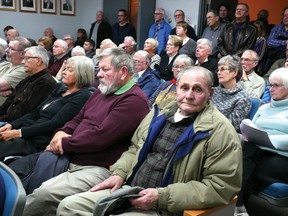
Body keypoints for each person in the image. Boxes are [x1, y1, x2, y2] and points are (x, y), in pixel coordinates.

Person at [56, 66, 242, 216]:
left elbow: (220, 186)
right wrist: (120, 173)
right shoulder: (159, 113)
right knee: (69, 206)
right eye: (184, 88)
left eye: (198, 90)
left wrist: (161, 197)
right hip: (130, 189)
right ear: (177, 88)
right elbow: (134, 148)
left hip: (166, 206)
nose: (189, 95)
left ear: (210, 93)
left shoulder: (221, 131)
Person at [22, 48, 150, 216]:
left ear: (123, 71)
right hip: (71, 156)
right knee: (20, 174)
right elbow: (79, 118)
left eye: (105, 69)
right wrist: (62, 132)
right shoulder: (103, 90)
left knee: (43, 194)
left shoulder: (133, 100)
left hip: (97, 166)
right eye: (99, 69)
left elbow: (100, 137)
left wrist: (64, 143)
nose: (99, 74)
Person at [0, 56, 94, 160]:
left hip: (41, 140)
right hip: (29, 132)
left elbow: (54, 123)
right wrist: (12, 125)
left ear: (82, 73)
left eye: (70, 70)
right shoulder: (61, 89)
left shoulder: (82, 96)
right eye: (65, 68)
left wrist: (19, 133)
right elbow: (35, 112)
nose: (64, 72)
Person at [235, 67, 288, 216]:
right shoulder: (263, 108)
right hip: (257, 151)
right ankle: (238, 205)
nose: (271, 89)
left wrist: (270, 140)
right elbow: (252, 127)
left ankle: (237, 204)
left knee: (244, 161)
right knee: (247, 151)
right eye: (270, 85)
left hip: (282, 158)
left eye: (276, 85)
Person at [0, 46, 57, 123]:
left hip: (15, 125)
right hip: (6, 120)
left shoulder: (46, 83)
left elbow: (27, 112)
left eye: (27, 58)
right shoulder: (27, 79)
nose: (23, 62)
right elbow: (7, 103)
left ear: (38, 61)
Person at [212, 55, 251, 132]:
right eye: (218, 70)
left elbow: (232, 126)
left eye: (222, 69)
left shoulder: (243, 98)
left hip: (220, 134)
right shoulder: (213, 91)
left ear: (235, 72)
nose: (218, 73)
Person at [0, 37, 30, 105]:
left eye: (11, 48)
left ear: (22, 54)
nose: (7, 50)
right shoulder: (5, 64)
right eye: (8, 47)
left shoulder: (24, 70)